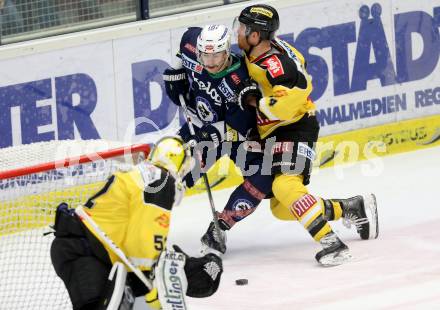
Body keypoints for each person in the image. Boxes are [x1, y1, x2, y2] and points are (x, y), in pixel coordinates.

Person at [233, 4, 379, 266]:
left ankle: (332, 243)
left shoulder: (276, 66)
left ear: (256, 36)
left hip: (296, 127)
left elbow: (296, 94)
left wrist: (256, 101)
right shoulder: (260, 51)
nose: (238, 33)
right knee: (281, 207)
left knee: (284, 186)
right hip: (276, 132)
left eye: (243, 29)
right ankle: (350, 207)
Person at [50, 136, 223, 310]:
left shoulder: (145, 174)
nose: (182, 174)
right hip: (84, 250)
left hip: (90, 249)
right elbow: (144, 242)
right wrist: (153, 292)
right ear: (176, 162)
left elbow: (140, 239)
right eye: (183, 168)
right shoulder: (161, 181)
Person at [163, 24, 273, 255]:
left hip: (235, 137)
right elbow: (184, 49)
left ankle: (220, 226)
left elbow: (242, 124)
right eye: (205, 56)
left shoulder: (241, 77)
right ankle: (142, 222)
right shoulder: (193, 43)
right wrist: (175, 72)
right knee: (169, 176)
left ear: (227, 51)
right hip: (200, 126)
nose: (210, 63)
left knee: (263, 179)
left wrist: (215, 133)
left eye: (216, 56)